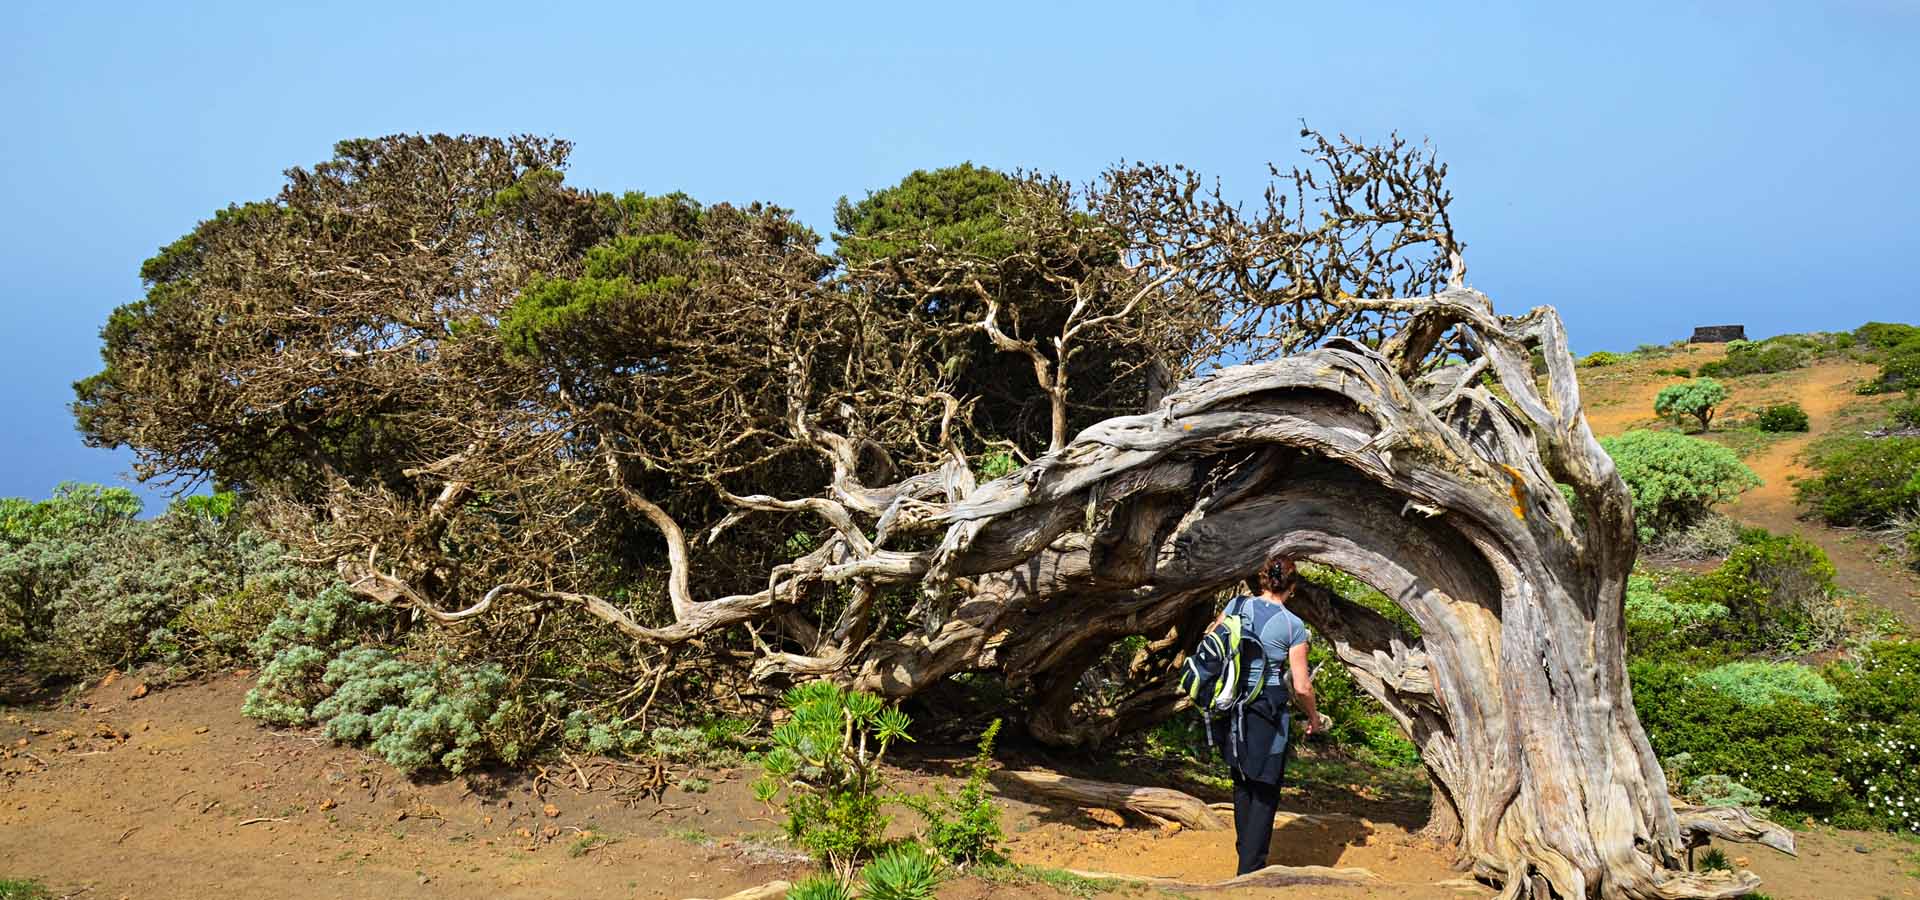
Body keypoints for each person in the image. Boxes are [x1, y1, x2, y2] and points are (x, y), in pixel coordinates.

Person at [1209, 552, 1320, 876]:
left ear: (1262, 579)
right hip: (1267, 710)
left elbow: (1213, 643)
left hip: (1233, 704)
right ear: (1292, 587)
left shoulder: (1236, 607)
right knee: (1265, 788)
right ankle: (1250, 871)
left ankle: (1246, 856)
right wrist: (1313, 716)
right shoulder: (1292, 625)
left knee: (1242, 779)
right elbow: (1301, 686)